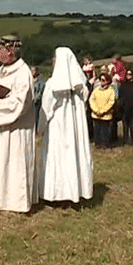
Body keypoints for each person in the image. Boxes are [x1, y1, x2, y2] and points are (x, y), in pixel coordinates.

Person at [0, 35, 38, 214]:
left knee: (14, 161)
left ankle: (15, 201)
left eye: (0, 48)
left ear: (10, 51)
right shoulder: (1, 71)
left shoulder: (23, 72)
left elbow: (22, 101)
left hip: (15, 128)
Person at [38, 47, 93, 203]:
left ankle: (55, 193)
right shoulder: (80, 84)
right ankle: (76, 191)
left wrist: (40, 127)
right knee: (73, 157)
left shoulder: (53, 84)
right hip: (75, 129)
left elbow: (46, 108)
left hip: (58, 127)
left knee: (58, 158)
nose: (53, 61)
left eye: (55, 58)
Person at [89, 73, 116, 149]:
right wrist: (96, 110)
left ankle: (105, 145)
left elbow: (111, 102)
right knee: (97, 131)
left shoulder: (111, 91)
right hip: (95, 115)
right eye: (101, 80)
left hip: (106, 116)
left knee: (105, 131)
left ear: (108, 81)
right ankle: (98, 144)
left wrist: (103, 111)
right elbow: (91, 100)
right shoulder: (96, 90)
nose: (102, 82)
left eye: (104, 80)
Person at [119, 69, 133, 145]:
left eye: (130, 74)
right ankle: (125, 140)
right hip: (124, 109)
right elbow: (120, 96)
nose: (129, 76)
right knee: (125, 126)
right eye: (127, 74)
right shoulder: (123, 85)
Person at [32, 66, 45, 132]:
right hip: (31, 100)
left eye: (33, 71)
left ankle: (37, 129)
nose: (32, 72)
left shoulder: (40, 79)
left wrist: (36, 98)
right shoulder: (30, 79)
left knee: (36, 115)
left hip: (37, 100)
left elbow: (40, 90)